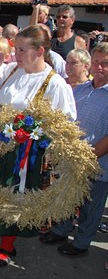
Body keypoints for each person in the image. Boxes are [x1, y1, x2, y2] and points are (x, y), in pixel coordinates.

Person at [0, 25, 76, 267]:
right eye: (17, 48)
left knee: (11, 198)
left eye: (22, 49)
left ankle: (7, 247)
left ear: (40, 51)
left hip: (25, 154)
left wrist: (35, 132)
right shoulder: (15, 71)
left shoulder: (54, 84)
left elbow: (66, 124)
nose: (17, 54)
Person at [39, 42, 108, 257]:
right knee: (66, 197)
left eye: (104, 63)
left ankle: (81, 243)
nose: (98, 67)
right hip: (71, 157)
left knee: (91, 205)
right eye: (95, 62)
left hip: (97, 162)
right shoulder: (81, 89)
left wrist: (87, 156)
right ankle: (60, 230)